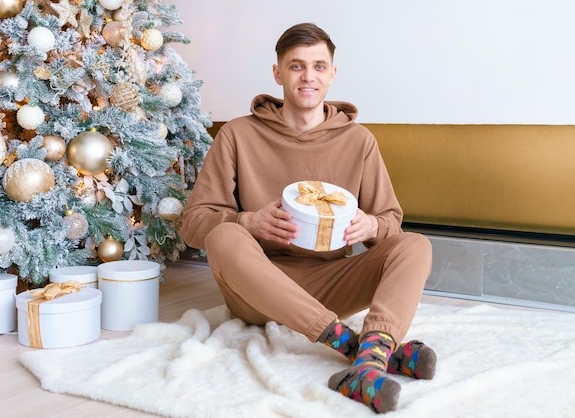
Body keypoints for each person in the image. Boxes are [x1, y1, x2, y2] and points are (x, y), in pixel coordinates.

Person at [180, 22, 435, 414]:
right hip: (259, 287)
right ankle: (350, 345)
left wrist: (372, 226)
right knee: (224, 236)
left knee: (416, 245)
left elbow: (391, 223)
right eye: (297, 66)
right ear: (278, 73)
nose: (308, 76)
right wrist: (249, 222)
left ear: (332, 74)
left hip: (331, 283)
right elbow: (194, 223)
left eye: (319, 66)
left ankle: (370, 360)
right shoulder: (237, 135)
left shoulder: (359, 141)